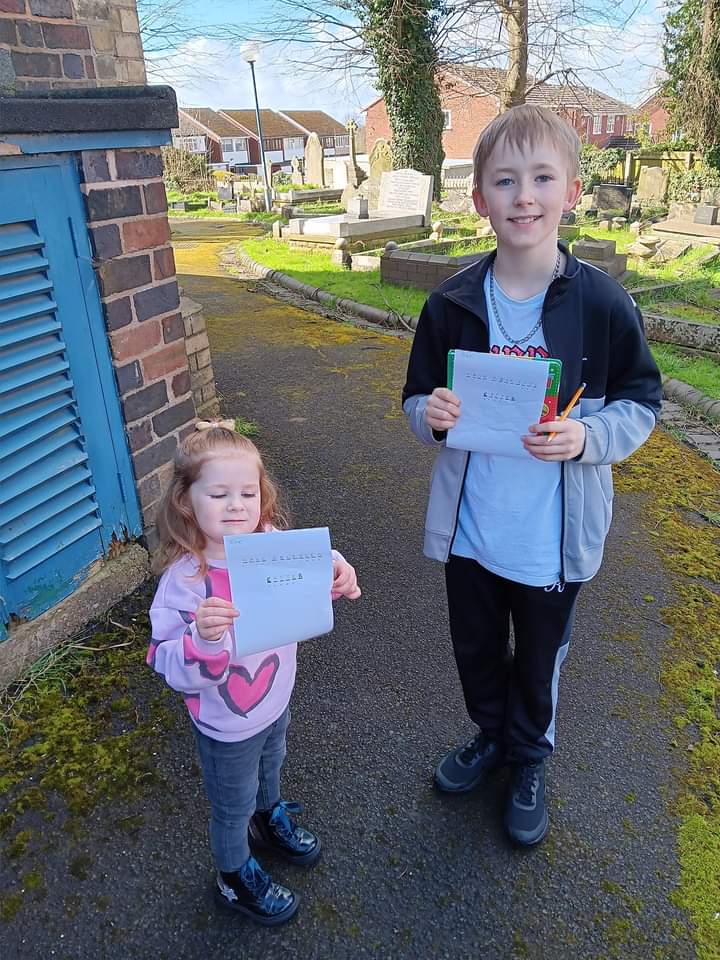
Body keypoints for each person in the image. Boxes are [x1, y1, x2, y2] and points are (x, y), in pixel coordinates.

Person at [402, 105, 662, 846]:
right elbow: (415, 401)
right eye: (505, 180)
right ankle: (491, 735)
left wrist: (587, 436)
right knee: (476, 649)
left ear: (572, 190)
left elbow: (643, 402)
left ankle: (529, 755)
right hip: (473, 533)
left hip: (552, 539)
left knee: (541, 655)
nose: (524, 196)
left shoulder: (603, 303)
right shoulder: (449, 304)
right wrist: (435, 416)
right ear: (479, 197)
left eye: (542, 178)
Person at [147, 423, 361, 925]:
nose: (237, 505)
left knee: (272, 764)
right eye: (218, 494)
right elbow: (164, 661)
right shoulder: (184, 582)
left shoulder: (268, 543)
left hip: (274, 698)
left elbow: (311, 570)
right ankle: (233, 873)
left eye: (247, 492)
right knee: (230, 805)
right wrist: (201, 639)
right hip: (225, 723)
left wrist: (336, 570)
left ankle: (269, 818)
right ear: (186, 501)